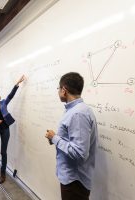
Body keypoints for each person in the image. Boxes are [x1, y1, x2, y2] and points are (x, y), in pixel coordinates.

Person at [45, 72, 98, 200]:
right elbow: (74, 141)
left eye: (58, 89)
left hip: (75, 182)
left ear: (64, 90)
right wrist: (56, 139)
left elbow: (79, 153)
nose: (58, 92)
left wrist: (55, 138)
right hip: (72, 179)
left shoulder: (77, 114)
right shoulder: (75, 110)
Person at [0, 75, 25, 184]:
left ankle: (3, 173)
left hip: (5, 129)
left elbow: (11, 95)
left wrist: (17, 83)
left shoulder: (4, 102)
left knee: (3, 152)